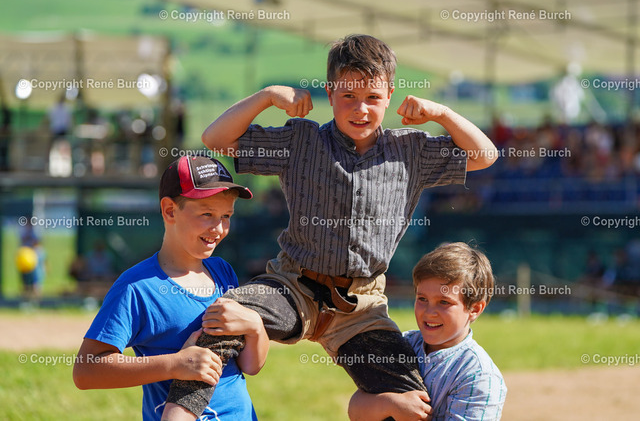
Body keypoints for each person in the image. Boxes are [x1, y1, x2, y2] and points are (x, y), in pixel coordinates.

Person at [165, 34, 498, 418]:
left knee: (411, 401)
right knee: (225, 317)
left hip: (362, 307)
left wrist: (439, 113)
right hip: (293, 287)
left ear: (389, 94)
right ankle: (178, 414)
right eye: (348, 97)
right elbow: (215, 139)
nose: (361, 109)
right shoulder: (299, 141)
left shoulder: (412, 150)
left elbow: (484, 155)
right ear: (329, 92)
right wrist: (269, 96)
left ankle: (381, 403)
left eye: (373, 98)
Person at [73, 155, 269, 421]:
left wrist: (255, 326)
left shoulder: (223, 271)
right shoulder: (137, 287)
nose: (219, 228)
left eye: (226, 216)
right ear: (169, 211)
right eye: (207, 214)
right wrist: (175, 365)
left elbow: (250, 365)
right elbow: (86, 371)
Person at [348, 242, 507, 420]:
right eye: (422, 298)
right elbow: (355, 409)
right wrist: (391, 404)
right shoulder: (400, 343)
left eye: (444, 302)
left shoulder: (478, 375)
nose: (429, 312)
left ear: (475, 309)